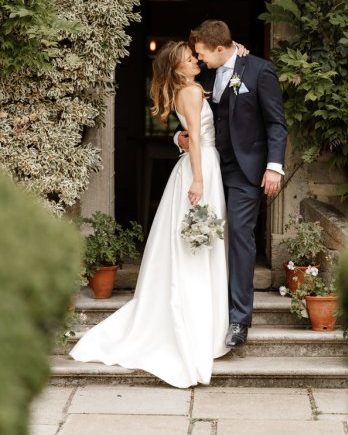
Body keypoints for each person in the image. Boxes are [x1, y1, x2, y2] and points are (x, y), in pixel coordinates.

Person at [70, 40, 230, 388]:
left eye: (193, 56)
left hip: (198, 166)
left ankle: (201, 320)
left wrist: (179, 141)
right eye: (189, 59)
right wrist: (200, 179)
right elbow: (198, 141)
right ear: (177, 68)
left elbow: (189, 134)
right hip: (200, 170)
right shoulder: (189, 92)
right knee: (196, 244)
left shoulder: (187, 90)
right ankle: (195, 323)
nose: (195, 61)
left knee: (197, 242)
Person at [176, 20, 287, 348]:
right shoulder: (204, 74)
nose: (199, 59)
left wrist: (274, 167)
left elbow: (276, 124)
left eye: (202, 53)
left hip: (245, 170)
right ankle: (204, 309)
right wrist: (178, 139)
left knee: (239, 235)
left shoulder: (259, 71)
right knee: (202, 233)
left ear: (221, 49)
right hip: (209, 167)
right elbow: (191, 119)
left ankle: (239, 319)